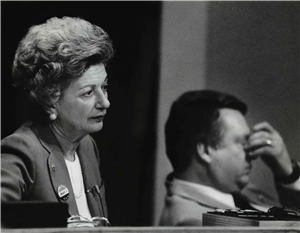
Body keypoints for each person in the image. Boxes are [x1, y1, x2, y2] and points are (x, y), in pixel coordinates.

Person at [0, 16, 114, 225]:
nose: (105, 103)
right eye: (88, 93)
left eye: (104, 87)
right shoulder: (22, 151)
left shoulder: (87, 147)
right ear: (50, 99)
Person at [159, 90, 300, 226]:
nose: (252, 153)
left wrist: (288, 173)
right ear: (206, 151)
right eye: (243, 143)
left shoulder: (242, 194)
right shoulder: (196, 223)